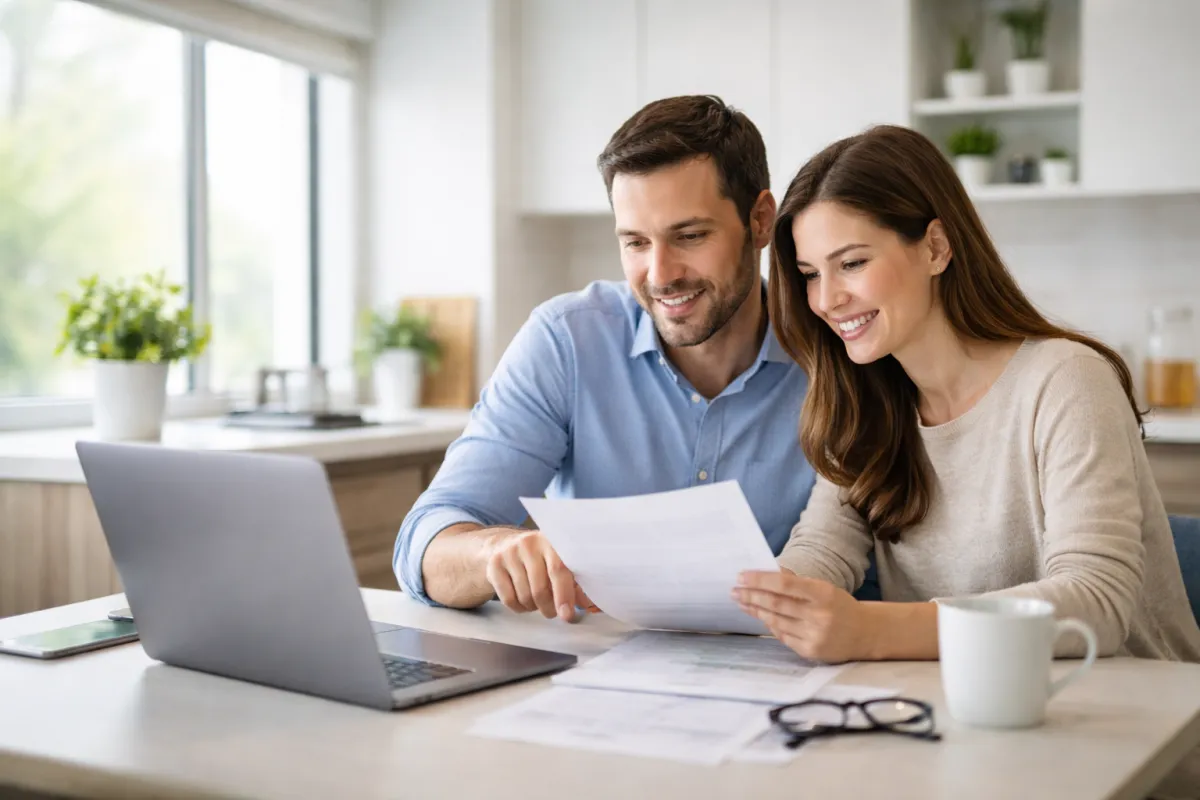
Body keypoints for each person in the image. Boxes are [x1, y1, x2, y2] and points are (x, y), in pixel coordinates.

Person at [733, 124, 1200, 797]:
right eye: (810, 274)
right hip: (975, 745)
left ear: (936, 246)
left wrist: (867, 628)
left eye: (852, 263)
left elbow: (1096, 604)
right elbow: (820, 550)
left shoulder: (1066, 381)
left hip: (1131, 747)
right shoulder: (865, 404)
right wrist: (764, 601)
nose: (826, 299)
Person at [395, 95, 816, 618]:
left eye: (689, 236)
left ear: (759, 221)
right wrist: (494, 554)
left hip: (785, 676)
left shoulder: (833, 353)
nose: (661, 274)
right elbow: (424, 545)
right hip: (596, 673)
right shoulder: (567, 341)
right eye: (636, 242)